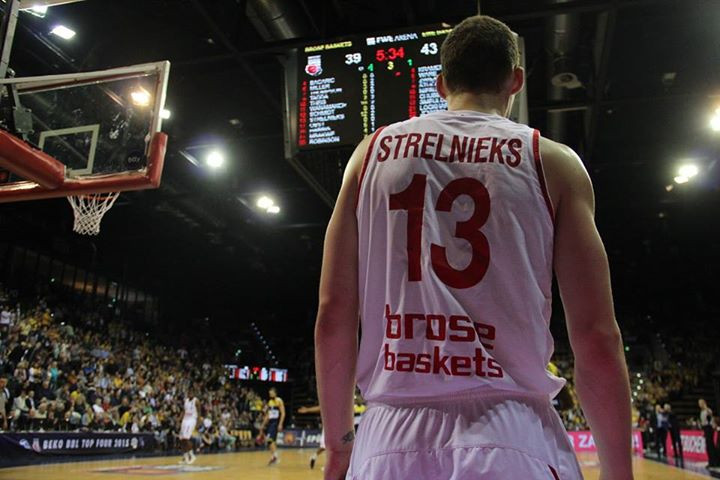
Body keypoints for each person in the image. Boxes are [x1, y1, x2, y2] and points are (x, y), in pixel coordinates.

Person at [315, 14, 633, 480]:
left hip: (386, 442)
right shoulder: (554, 162)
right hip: (512, 435)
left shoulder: (370, 154)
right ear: (516, 82)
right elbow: (597, 337)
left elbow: (333, 314)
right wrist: (619, 471)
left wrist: (340, 445)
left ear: (440, 84)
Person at [261, 387, 285, 465]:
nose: (270, 394)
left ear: (275, 393)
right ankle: (273, 457)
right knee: (271, 441)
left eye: (271, 393)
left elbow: (283, 413)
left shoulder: (279, 400)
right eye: (269, 393)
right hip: (270, 422)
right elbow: (268, 415)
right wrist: (263, 424)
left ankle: (275, 456)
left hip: (275, 422)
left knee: (269, 439)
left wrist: (280, 423)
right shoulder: (270, 402)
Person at [297, 404, 325, 469]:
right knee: (324, 447)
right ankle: (314, 457)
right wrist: (307, 410)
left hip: (338, 428)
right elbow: (320, 408)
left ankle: (314, 457)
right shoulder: (329, 403)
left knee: (330, 447)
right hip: (328, 428)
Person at [179, 390, 199, 465]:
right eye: (189, 393)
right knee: (181, 438)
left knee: (186, 438)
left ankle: (192, 455)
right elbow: (184, 411)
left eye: (191, 393)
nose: (190, 394)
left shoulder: (196, 401)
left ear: (194, 393)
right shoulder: (186, 401)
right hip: (185, 419)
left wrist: (198, 423)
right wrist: (179, 419)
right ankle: (186, 457)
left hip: (192, 420)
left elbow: (199, 412)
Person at [699, 398, 718, 468]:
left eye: (701, 403)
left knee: (710, 445)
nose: (699, 405)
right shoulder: (701, 412)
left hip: (709, 428)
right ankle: (711, 461)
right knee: (708, 446)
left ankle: (714, 462)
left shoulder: (708, 410)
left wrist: (706, 408)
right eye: (699, 403)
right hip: (705, 428)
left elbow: (711, 417)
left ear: (704, 403)